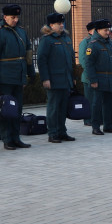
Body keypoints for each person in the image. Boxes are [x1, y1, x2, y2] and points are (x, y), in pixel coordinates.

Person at [0, 4, 35, 150]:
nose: (15, 20)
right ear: (5, 17)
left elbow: (28, 55)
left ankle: (16, 137)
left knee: (17, 109)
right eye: (12, 17)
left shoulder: (21, 32)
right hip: (4, 77)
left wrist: (30, 73)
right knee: (6, 110)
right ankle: (7, 139)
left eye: (17, 17)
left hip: (18, 77)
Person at [37, 12, 76, 142]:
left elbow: (71, 60)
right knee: (53, 107)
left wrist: (73, 76)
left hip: (65, 79)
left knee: (63, 107)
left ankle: (61, 131)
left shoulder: (66, 38)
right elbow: (42, 61)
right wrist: (45, 78)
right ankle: (52, 133)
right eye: (58, 23)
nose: (61, 25)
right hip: (53, 79)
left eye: (62, 23)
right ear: (51, 25)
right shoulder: (46, 40)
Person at [83, 19, 112, 135]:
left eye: (108, 30)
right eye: (105, 30)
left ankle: (108, 125)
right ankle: (95, 127)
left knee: (108, 103)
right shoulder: (93, 44)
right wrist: (93, 80)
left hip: (109, 78)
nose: (108, 32)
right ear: (98, 30)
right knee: (97, 104)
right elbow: (89, 64)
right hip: (99, 79)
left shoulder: (110, 43)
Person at [78, 21, 97, 126]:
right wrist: (91, 73)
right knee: (89, 99)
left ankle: (96, 118)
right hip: (88, 76)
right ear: (90, 31)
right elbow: (83, 60)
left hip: (98, 75)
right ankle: (88, 119)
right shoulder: (85, 42)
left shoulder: (98, 41)